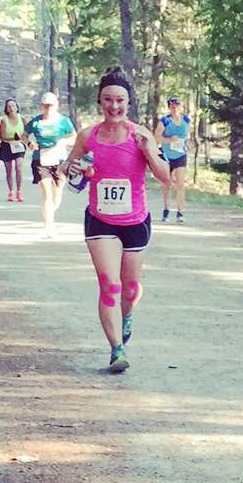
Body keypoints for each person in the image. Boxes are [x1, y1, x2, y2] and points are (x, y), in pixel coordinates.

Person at [63, 67, 169, 374]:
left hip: (135, 222)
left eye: (120, 100)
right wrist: (74, 170)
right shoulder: (88, 136)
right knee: (109, 284)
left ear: (128, 103)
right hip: (100, 221)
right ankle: (116, 349)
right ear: (100, 101)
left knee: (130, 288)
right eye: (108, 99)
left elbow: (164, 178)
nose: (114, 106)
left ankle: (128, 315)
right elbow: (71, 171)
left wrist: (149, 151)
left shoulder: (141, 135)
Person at [25, 91, 76, 237]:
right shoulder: (36, 122)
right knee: (46, 193)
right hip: (40, 159)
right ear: (42, 106)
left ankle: (50, 214)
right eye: (46, 105)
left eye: (51, 105)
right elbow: (24, 135)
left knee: (57, 192)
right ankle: (49, 225)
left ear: (57, 106)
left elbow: (74, 136)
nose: (48, 108)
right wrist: (30, 142)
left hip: (59, 159)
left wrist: (64, 141)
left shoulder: (63, 121)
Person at [155, 95, 192, 222]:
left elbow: (187, 136)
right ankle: (166, 209)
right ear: (169, 107)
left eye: (176, 105)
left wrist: (187, 143)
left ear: (180, 106)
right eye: (172, 106)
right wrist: (169, 140)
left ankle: (180, 212)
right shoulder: (165, 121)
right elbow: (156, 137)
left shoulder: (186, 120)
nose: (174, 108)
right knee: (167, 183)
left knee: (180, 183)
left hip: (180, 154)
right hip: (166, 155)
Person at [0, 99, 27, 201]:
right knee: (9, 170)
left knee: (19, 167)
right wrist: (12, 138)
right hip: (7, 146)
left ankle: (19, 191)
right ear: (6, 109)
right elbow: (1, 137)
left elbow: (27, 134)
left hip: (19, 146)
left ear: (17, 107)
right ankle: (11, 191)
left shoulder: (22, 119)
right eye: (9, 106)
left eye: (13, 106)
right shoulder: (4, 120)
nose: (11, 108)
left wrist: (23, 139)